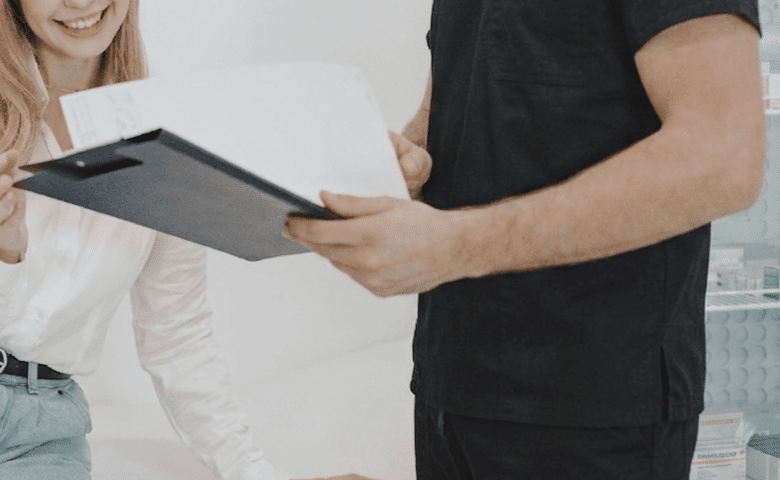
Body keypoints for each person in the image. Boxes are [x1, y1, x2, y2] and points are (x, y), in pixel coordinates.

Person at [282, 1, 766, 479]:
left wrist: (452, 246)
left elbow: (723, 158)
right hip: (451, 387)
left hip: (593, 409)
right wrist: (400, 166)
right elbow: (457, 103)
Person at [0, 1, 376, 479]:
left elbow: (176, 335)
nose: (79, 1)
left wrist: (254, 473)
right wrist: (4, 255)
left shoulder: (165, 136)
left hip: (40, 434)